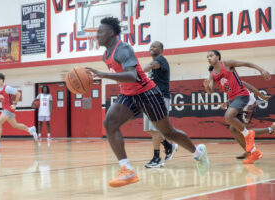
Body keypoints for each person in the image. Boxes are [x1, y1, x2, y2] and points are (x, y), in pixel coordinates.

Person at [87, 17, 209, 188]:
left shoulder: (122, 48)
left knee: (169, 133)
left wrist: (103, 75)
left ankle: (198, 154)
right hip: (128, 94)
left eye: (100, 32)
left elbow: (132, 76)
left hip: (147, 93)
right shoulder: (105, 55)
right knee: (110, 122)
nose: (97, 36)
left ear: (111, 33)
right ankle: (127, 170)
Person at [203, 50, 272, 164]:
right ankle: (252, 152)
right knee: (234, 129)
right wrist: (206, 87)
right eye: (207, 57)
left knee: (229, 117)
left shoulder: (227, 64)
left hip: (245, 98)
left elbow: (247, 64)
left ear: (218, 57)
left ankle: (261, 133)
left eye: (211, 55)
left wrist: (261, 70)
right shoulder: (213, 74)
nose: (208, 58)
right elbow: (210, 91)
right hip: (235, 99)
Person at [143, 41, 178, 168]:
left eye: (155, 46)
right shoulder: (153, 64)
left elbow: (152, 65)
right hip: (149, 98)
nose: (151, 47)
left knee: (155, 129)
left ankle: (156, 158)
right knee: (149, 130)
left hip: (160, 97)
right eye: (150, 46)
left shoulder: (161, 60)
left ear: (161, 50)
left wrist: (140, 70)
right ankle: (169, 146)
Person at [220, 81, 275, 160]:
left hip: (248, 103)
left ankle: (271, 130)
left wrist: (262, 96)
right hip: (239, 104)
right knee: (233, 129)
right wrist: (226, 102)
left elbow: (248, 85)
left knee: (241, 130)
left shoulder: (230, 75)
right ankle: (249, 151)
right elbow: (234, 94)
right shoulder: (221, 81)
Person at [0, 73, 38, 148]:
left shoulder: (7, 88)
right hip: (5, 109)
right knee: (15, 125)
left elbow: (18, 94)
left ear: (2, 80)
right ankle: (30, 129)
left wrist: (15, 104)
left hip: (9, 108)